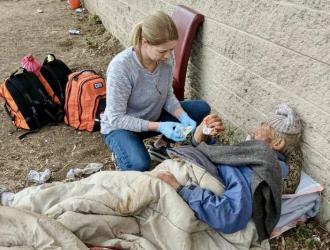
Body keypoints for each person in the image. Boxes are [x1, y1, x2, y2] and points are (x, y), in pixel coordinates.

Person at [157, 104, 302, 240]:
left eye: (262, 129)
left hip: (183, 181)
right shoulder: (252, 156)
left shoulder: (263, 163)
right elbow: (227, 159)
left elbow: (230, 215)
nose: (253, 131)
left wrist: (180, 189)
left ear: (277, 144)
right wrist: (204, 136)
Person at [100, 11, 210, 172]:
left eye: (171, 50)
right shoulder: (121, 68)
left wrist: (182, 116)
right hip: (121, 127)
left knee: (201, 108)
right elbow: (116, 118)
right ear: (145, 42)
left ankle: (160, 147)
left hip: (152, 117)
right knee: (139, 165)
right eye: (162, 51)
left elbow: (166, 95)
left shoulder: (164, 59)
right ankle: (122, 151)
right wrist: (159, 126)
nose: (168, 56)